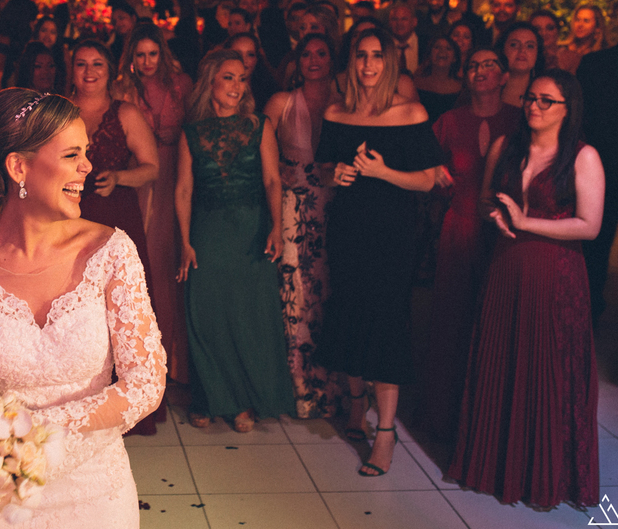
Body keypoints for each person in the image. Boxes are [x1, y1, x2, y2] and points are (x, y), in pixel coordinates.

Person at [0, 88, 167, 528]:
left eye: (86, 152)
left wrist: (29, 432)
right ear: (19, 166)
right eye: (73, 154)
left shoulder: (112, 251)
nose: (88, 167)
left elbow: (147, 383)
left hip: (96, 492)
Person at [449, 70, 603, 509]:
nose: (533, 106)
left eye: (546, 101)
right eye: (531, 98)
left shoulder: (583, 155)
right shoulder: (506, 146)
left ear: (567, 109)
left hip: (556, 273)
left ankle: (546, 474)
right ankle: (499, 465)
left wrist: (525, 222)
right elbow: (484, 201)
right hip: (506, 266)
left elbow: (590, 226)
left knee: (549, 367)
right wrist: (497, 218)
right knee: (503, 358)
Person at [315, 27, 441, 477]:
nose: (368, 65)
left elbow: (427, 179)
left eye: (377, 57)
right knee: (348, 311)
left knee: (387, 320)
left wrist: (384, 172)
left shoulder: (410, 111)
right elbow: (323, 168)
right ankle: (354, 406)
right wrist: (337, 174)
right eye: (361, 56)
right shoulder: (336, 110)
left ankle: (384, 433)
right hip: (348, 228)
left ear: (390, 63)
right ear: (351, 62)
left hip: (393, 232)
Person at [177, 49, 295, 431]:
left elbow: (273, 180)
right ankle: (210, 397)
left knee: (247, 314)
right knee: (207, 313)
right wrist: (185, 241)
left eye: (242, 78)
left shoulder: (259, 125)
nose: (237, 85)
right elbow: (182, 190)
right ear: (210, 82)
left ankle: (243, 401)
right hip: (207, 230)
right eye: (228, 77)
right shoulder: (191, 133)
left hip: (251, 228)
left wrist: (276, 227)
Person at [415, 47, 522, 442]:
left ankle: (489, 419)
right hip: (458, 225)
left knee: (495, 321)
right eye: (474, 65)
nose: (480, 71)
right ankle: (444, 414)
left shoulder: (518, 120)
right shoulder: (449, 120)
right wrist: (436, 175)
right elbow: (423, 167)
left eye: (489, 65)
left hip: (503, 232)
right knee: (450, 319)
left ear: (504, 76)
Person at [68, 39, 162, 433]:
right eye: (81, 65)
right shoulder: (58, 110)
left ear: (110, 71)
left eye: (98, 65)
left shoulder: (125, 113)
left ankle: (129, 401)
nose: (89, 73)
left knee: (119, 305)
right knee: (73, 303)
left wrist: (120, 177)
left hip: (113, 215)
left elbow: (152, 167)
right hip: (68, 217)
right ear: (70, 69)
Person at [263, 33, 340, 419]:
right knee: (295, 289)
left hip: (337, 206)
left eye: (321, 53)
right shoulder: (281, 102)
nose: (313, 60)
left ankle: (333, 382)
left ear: (332, 58)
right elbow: (260, 155)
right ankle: (298, 384)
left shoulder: (347, 102)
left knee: (330, 288)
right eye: (306, 54)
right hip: (293, 205)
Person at [115, 24, 192, 385]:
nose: (146, 62)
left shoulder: (181, 85)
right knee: (143, 257)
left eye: (152, 54)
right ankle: (138, 359)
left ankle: (175, 361)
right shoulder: (122, 88)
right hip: (138, 173)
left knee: (171, 259)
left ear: (162, 53)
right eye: (140, 55)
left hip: (178, 168)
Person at [577, 0, 618, 325]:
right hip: (603, 169)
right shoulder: (594, 64)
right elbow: (583, 117)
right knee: (596, 245)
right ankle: (589, 311)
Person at [413, 36, 463, 122]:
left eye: (448, 48)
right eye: (437, 47)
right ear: (430, 54)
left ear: (454, 58)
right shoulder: (416, 83)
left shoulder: (462, 87)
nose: (442, 51)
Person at [223, 32, 279, 109]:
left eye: (250, 55)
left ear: (257, 59)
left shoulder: (269, 91)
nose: (244, 60)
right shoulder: (216, 88)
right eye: (238, 54)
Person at [497, 22, 544, 108]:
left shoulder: (545, 96)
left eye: (530, 46)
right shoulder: (487, 91)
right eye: (514, 45)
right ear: (502, 49)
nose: (522, 50)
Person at [558, 4, 607, 76]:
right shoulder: (562, 50)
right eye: (577, 20)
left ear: (598, 27)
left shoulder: (604, 56)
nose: (580, 25)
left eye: (586, 21)